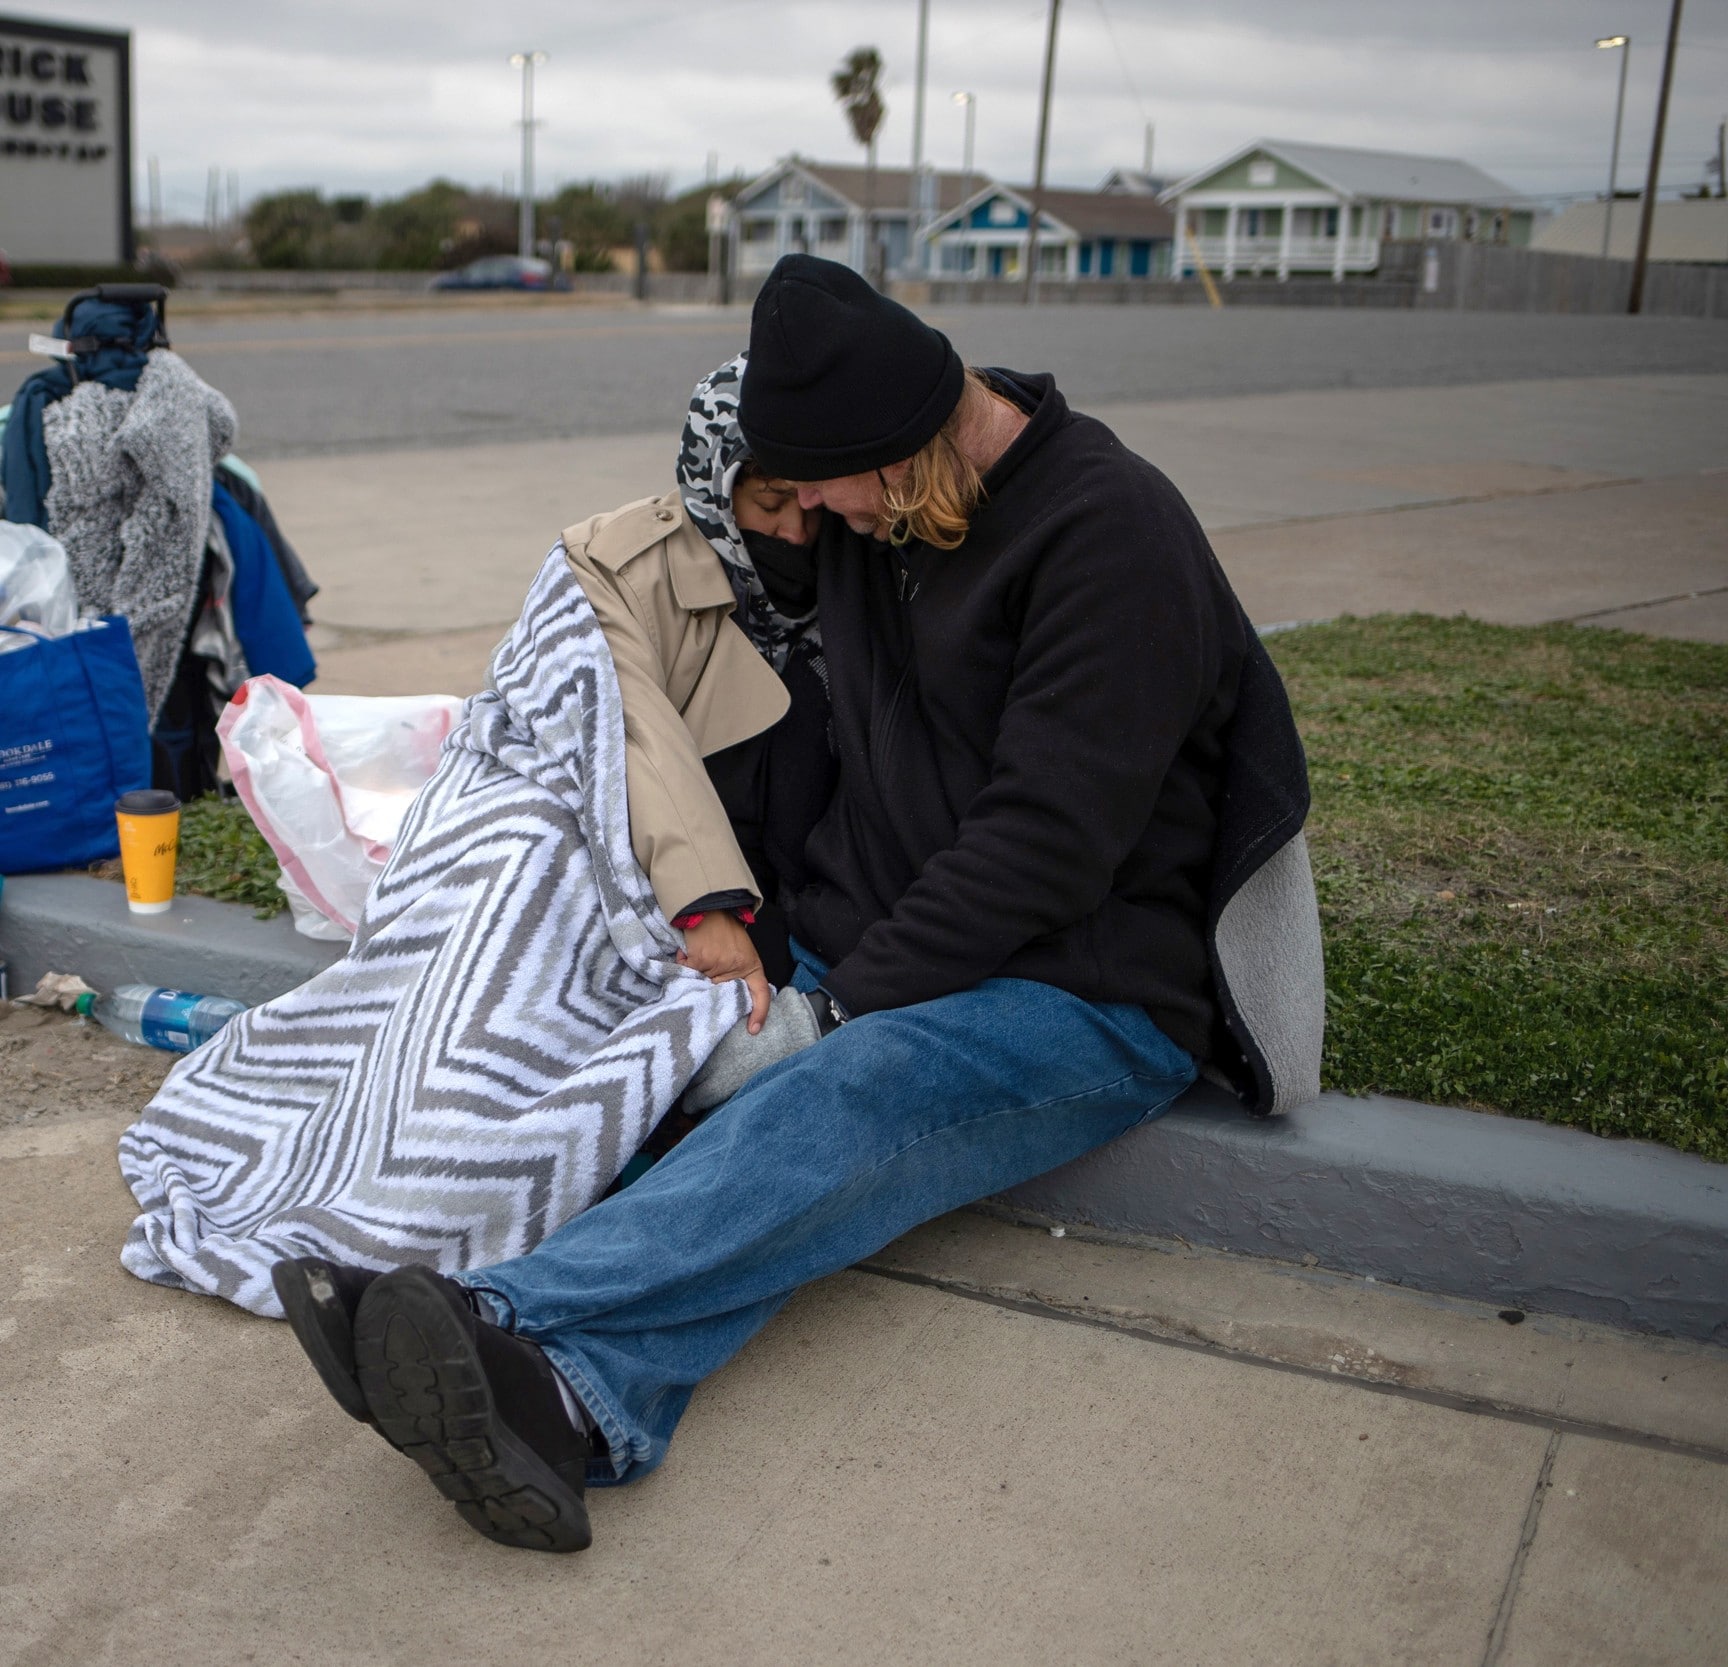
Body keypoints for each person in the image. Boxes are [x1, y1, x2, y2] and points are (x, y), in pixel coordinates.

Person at [273, 255, 1323, 1555]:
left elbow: (1048, 845)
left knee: (844, 1087)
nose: (799, 513)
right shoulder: (878, 524)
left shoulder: (1112, 535)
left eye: (814, 482)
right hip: (875, 933)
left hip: (1082, 983)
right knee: (638, 1047)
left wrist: (837, 1007)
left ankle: (505, 1321)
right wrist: (758, 946)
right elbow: (677, 605)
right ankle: (570, 1406)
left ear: (895, 449)